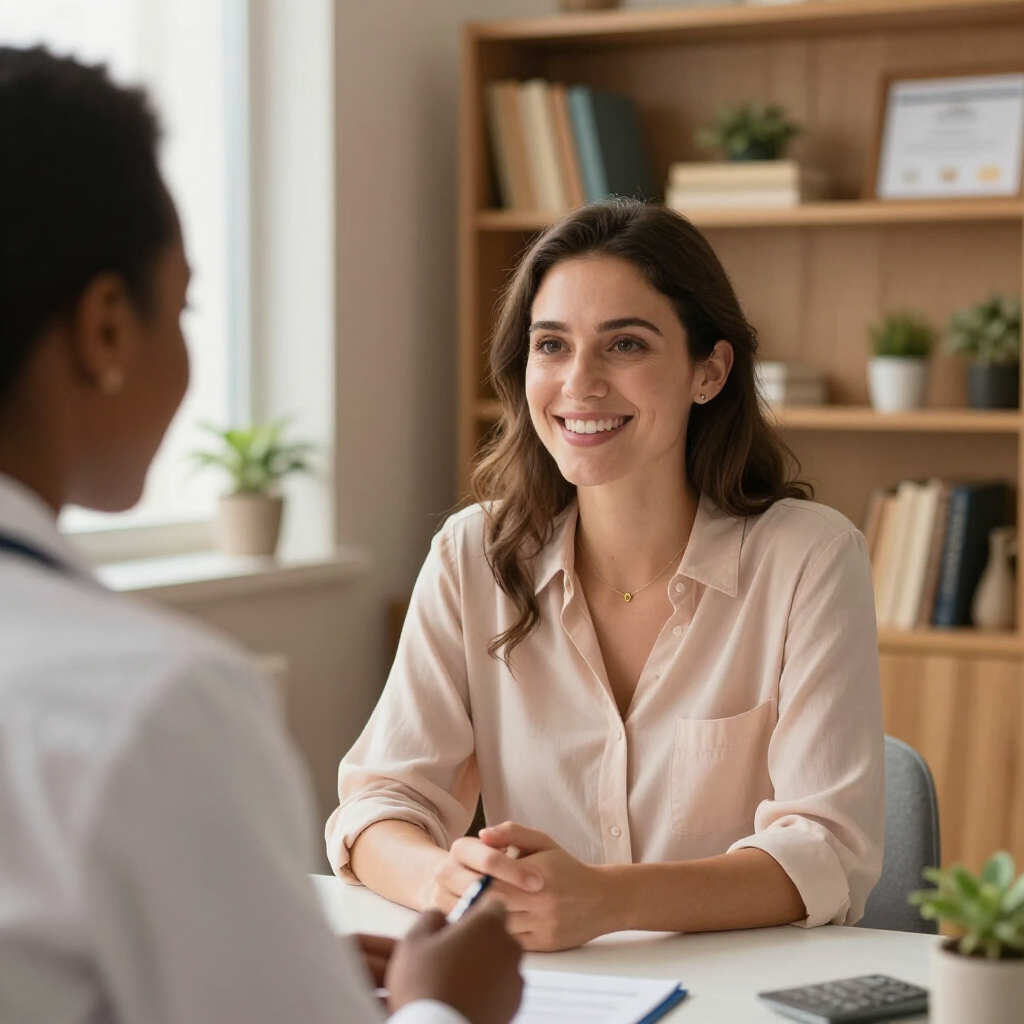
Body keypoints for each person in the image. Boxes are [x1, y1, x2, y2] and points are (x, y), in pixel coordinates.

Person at [0, 46, 523, 1024]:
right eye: (187, 301)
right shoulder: (147, 707)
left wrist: (250, 946)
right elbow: (380, 800)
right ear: (106, 327)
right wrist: (441, 1007)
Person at [327, 199, 886, 952]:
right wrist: (449, 885)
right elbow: (379, 803)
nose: (579, 383)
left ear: (709, 372)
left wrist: (606, 901)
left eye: (625, 345)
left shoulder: (809, 560)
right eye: (551, 345)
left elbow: (828, 851)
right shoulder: (474, 556)